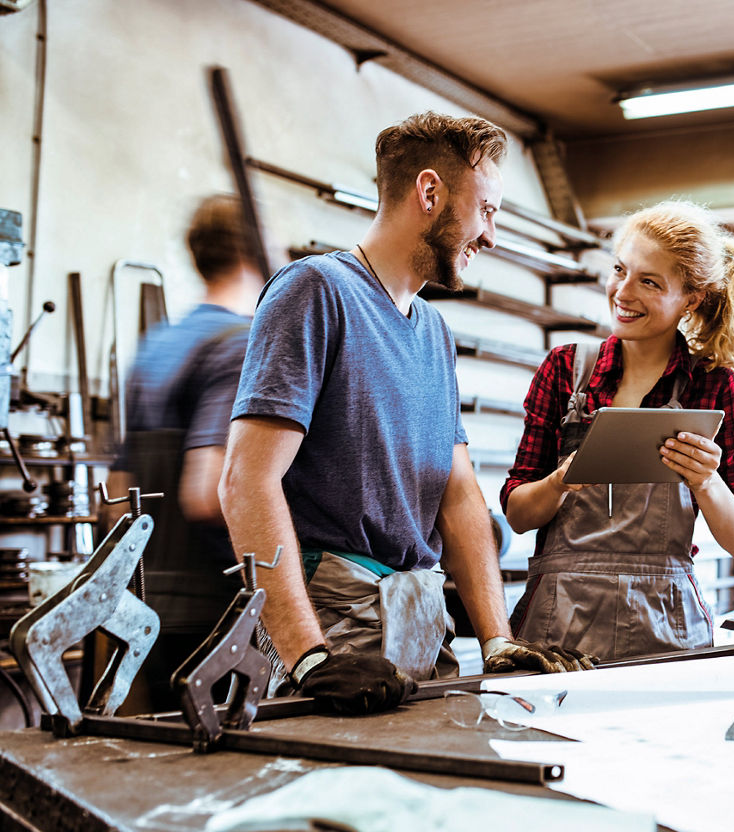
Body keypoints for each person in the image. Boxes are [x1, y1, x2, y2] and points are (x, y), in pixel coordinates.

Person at [218, 110, 591, 717]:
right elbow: (246, 482)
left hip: (421, 615)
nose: (490, 236)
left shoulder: (435, 333)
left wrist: (497, 640)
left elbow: (460, 496)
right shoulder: (316, 292)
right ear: (429, 192)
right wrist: (308, 657)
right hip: (332, 624)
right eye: (487, 210)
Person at [502, 200, 734, 661]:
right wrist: (560, 481)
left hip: (666, 626)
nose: (622, 292)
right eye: (619, 270)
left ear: (690, 298)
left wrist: (706, 481)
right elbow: (516, 513)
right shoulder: (566, 371)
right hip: (557, 626)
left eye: (648, 281)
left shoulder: (713, 386)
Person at [118, 194, 260, 711]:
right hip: (212, 609)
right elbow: (205, 493)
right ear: (255, 251)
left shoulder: (158, 343)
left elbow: (117, 495)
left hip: (146, 605)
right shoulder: (239, 343)